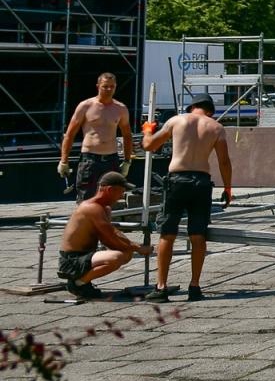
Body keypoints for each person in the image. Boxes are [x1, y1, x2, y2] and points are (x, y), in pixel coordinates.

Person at [141, 96, 231, 302]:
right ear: (210, 112)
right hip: (201, 181)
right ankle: (195, 286)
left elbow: (149, 146)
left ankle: (161, 287)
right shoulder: (217, 128)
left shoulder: (176, 120)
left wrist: (148, 128)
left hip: (177, 180)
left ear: (192, 108)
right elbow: (224, 162)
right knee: (198, 235)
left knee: (167, 234)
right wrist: (227, 187)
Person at [56, 172, 151, 300]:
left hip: (83, 256)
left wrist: (133, 246)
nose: (121, 196)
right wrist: (138, 248)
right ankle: (78, 283)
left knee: (126, 253)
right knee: (116, 257)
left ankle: (83, 281)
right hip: (71, 261)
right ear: (110, 190)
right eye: (121, 192)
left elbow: (113, 234)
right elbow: (110, 238)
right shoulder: (92, 208)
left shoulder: (104, 209)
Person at [57, 73, 134, 202]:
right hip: (90, 159)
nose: (109, 90)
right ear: (98, 86)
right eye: (105, 86)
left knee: (110, 198)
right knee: (86, 198)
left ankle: (104, 221)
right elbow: (70, 134)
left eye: (112, 86)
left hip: (111, 159)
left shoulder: (120, 109)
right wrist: (63, 161)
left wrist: (127, 161)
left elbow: (127, 136)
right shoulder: (86, 106)